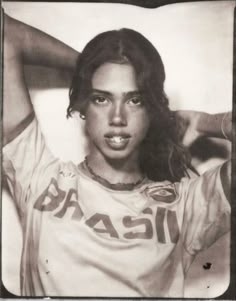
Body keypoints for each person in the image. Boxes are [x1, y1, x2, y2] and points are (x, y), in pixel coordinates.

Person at [2, 11, 231, 297]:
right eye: (101, 98)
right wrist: (88, 68)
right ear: (83, 105)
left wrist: (205, 122)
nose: (118, 117)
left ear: (152, 110)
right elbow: (5, 34)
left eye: (135, 100)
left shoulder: (187, 203)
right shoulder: (37, 175)